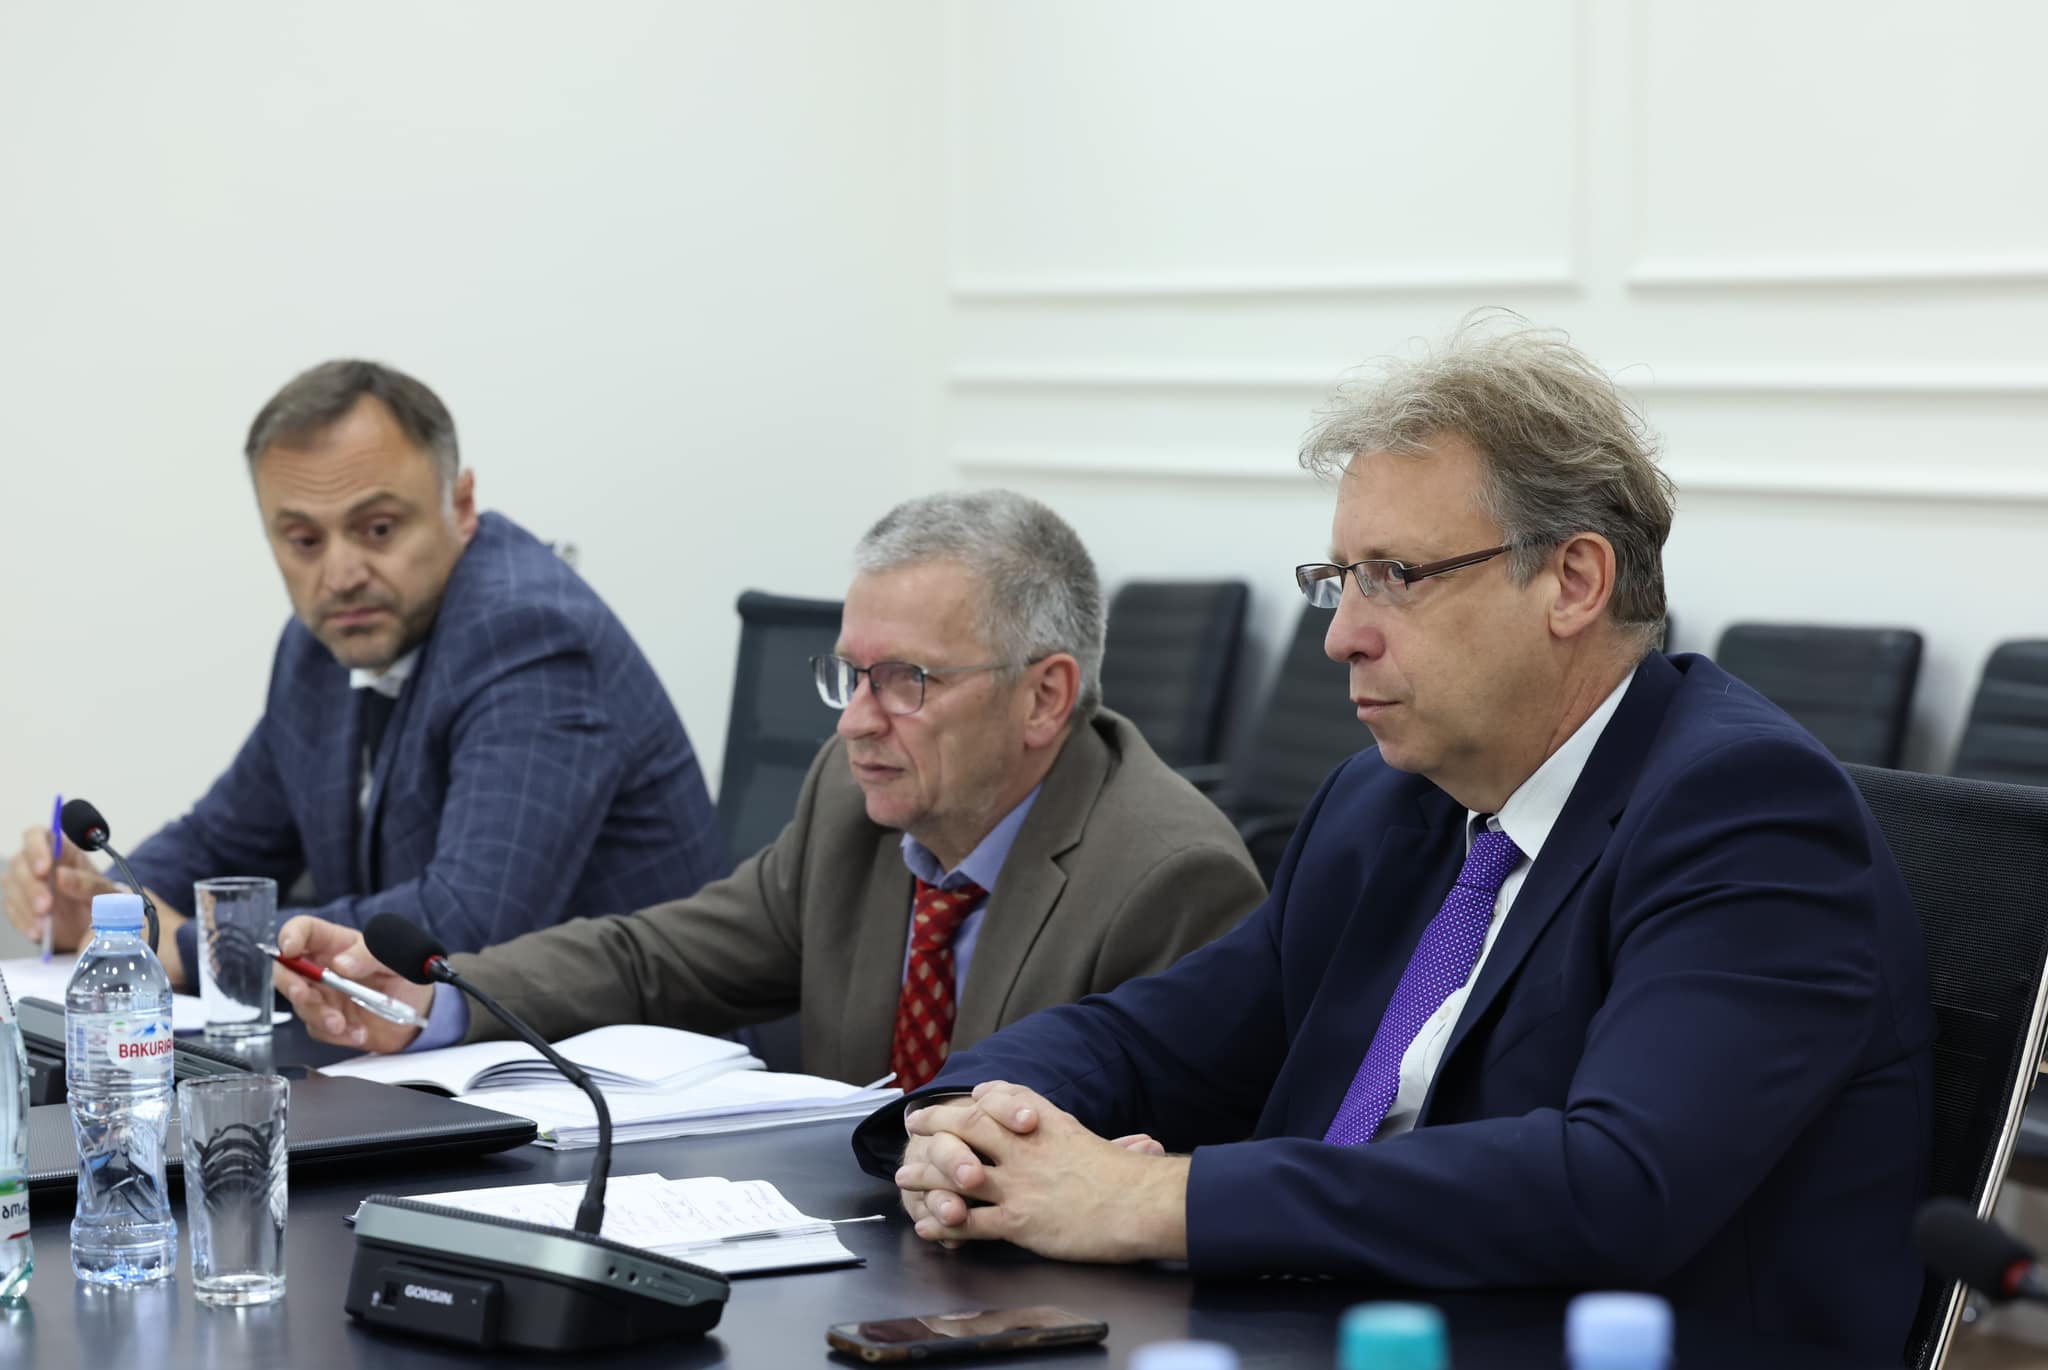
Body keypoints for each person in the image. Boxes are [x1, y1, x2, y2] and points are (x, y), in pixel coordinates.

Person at [859, 322, 1934, 1361]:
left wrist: (1149, 1198)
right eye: (1338, 579)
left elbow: (1614, 1182)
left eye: (1393, 576)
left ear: (1572, 581)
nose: (1341, 635)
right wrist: (967, 1124)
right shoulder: (1385, 802)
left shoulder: (1744, 811)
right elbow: (1153, 1039)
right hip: (1326, 1326)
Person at [272, 490, 1266, 1087]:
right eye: (849, 674)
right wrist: (435, 998)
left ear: (1044, 695)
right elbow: (656, 957)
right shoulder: (856, 801)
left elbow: (1145, 1175)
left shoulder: (1168, 879)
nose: (854, 721)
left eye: (904, 680)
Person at [3, 360, 724, 989]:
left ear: (460, 506)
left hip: (637, 1073)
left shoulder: (531, 637)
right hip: (440, 1067)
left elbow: (464, 922)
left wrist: (188, 946)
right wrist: (100, 899)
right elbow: (223, 840)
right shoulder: (324, 641)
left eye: (378, 529)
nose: (341, 574)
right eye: (303, 540)